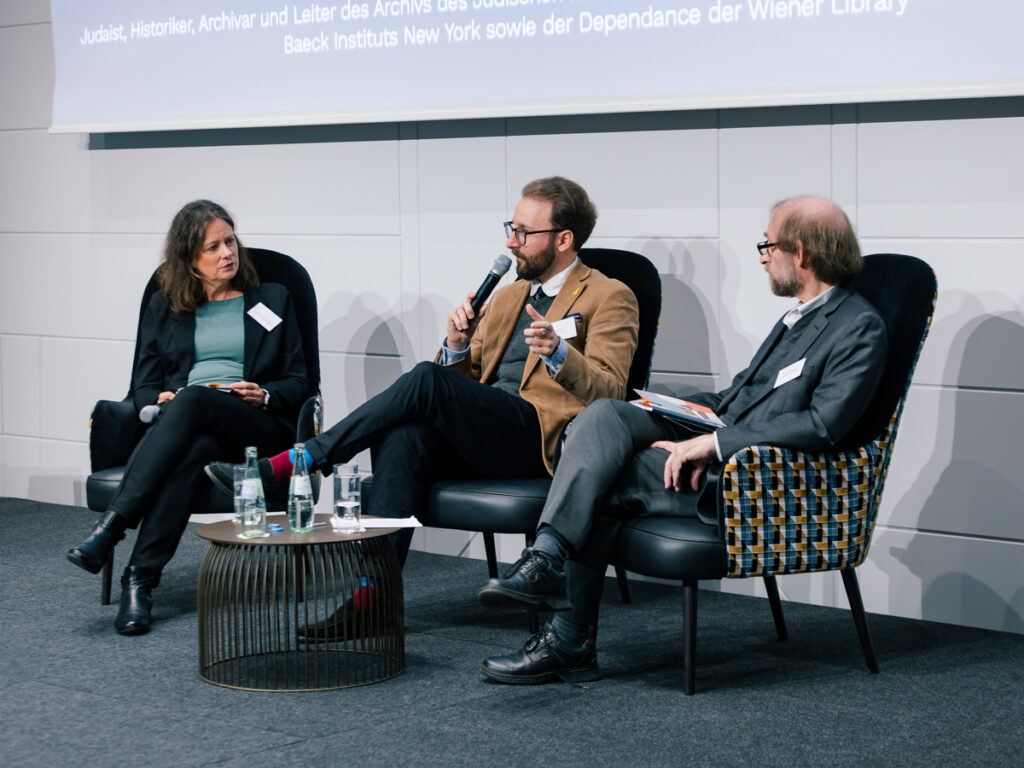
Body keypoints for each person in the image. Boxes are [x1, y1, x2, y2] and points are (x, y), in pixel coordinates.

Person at [478, 195, 889, 684]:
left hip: (751, 476)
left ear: (800, 252)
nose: (761, 256)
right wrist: (671, 406)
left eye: (767, 244)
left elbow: (823, 426)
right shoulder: (798, 317)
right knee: (608, 413)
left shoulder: (858, 326)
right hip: (722, 433)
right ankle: (547, 558)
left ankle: (568, 635)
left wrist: (713, 445)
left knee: (602, 476)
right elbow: (740, 395)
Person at [206, 176, 640, 639]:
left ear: (563, 239)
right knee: (404, 435)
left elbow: (610, 394)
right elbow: (461, 385)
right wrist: (454, 348)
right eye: (510, 228)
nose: (511, 242)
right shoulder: (510, 295)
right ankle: (373, 598)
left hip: (545, 438)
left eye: (523, 233)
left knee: (424, 379)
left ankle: (304, 457)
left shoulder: (610, 295)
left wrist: (558, 354)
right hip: (493, 428)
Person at [67, 200, 309, 635]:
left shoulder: (272, 298)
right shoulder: (166, 307)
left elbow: (300, 381)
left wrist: (266, 393)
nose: (227, 253)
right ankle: (138, 582)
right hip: (189, 425)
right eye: (212, 247)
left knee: (195, 401)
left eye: (230, 241)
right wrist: (158, 403)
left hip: (254, 427)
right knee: (193, 446)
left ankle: (112, 526)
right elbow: (141, 386)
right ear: (189, 260)